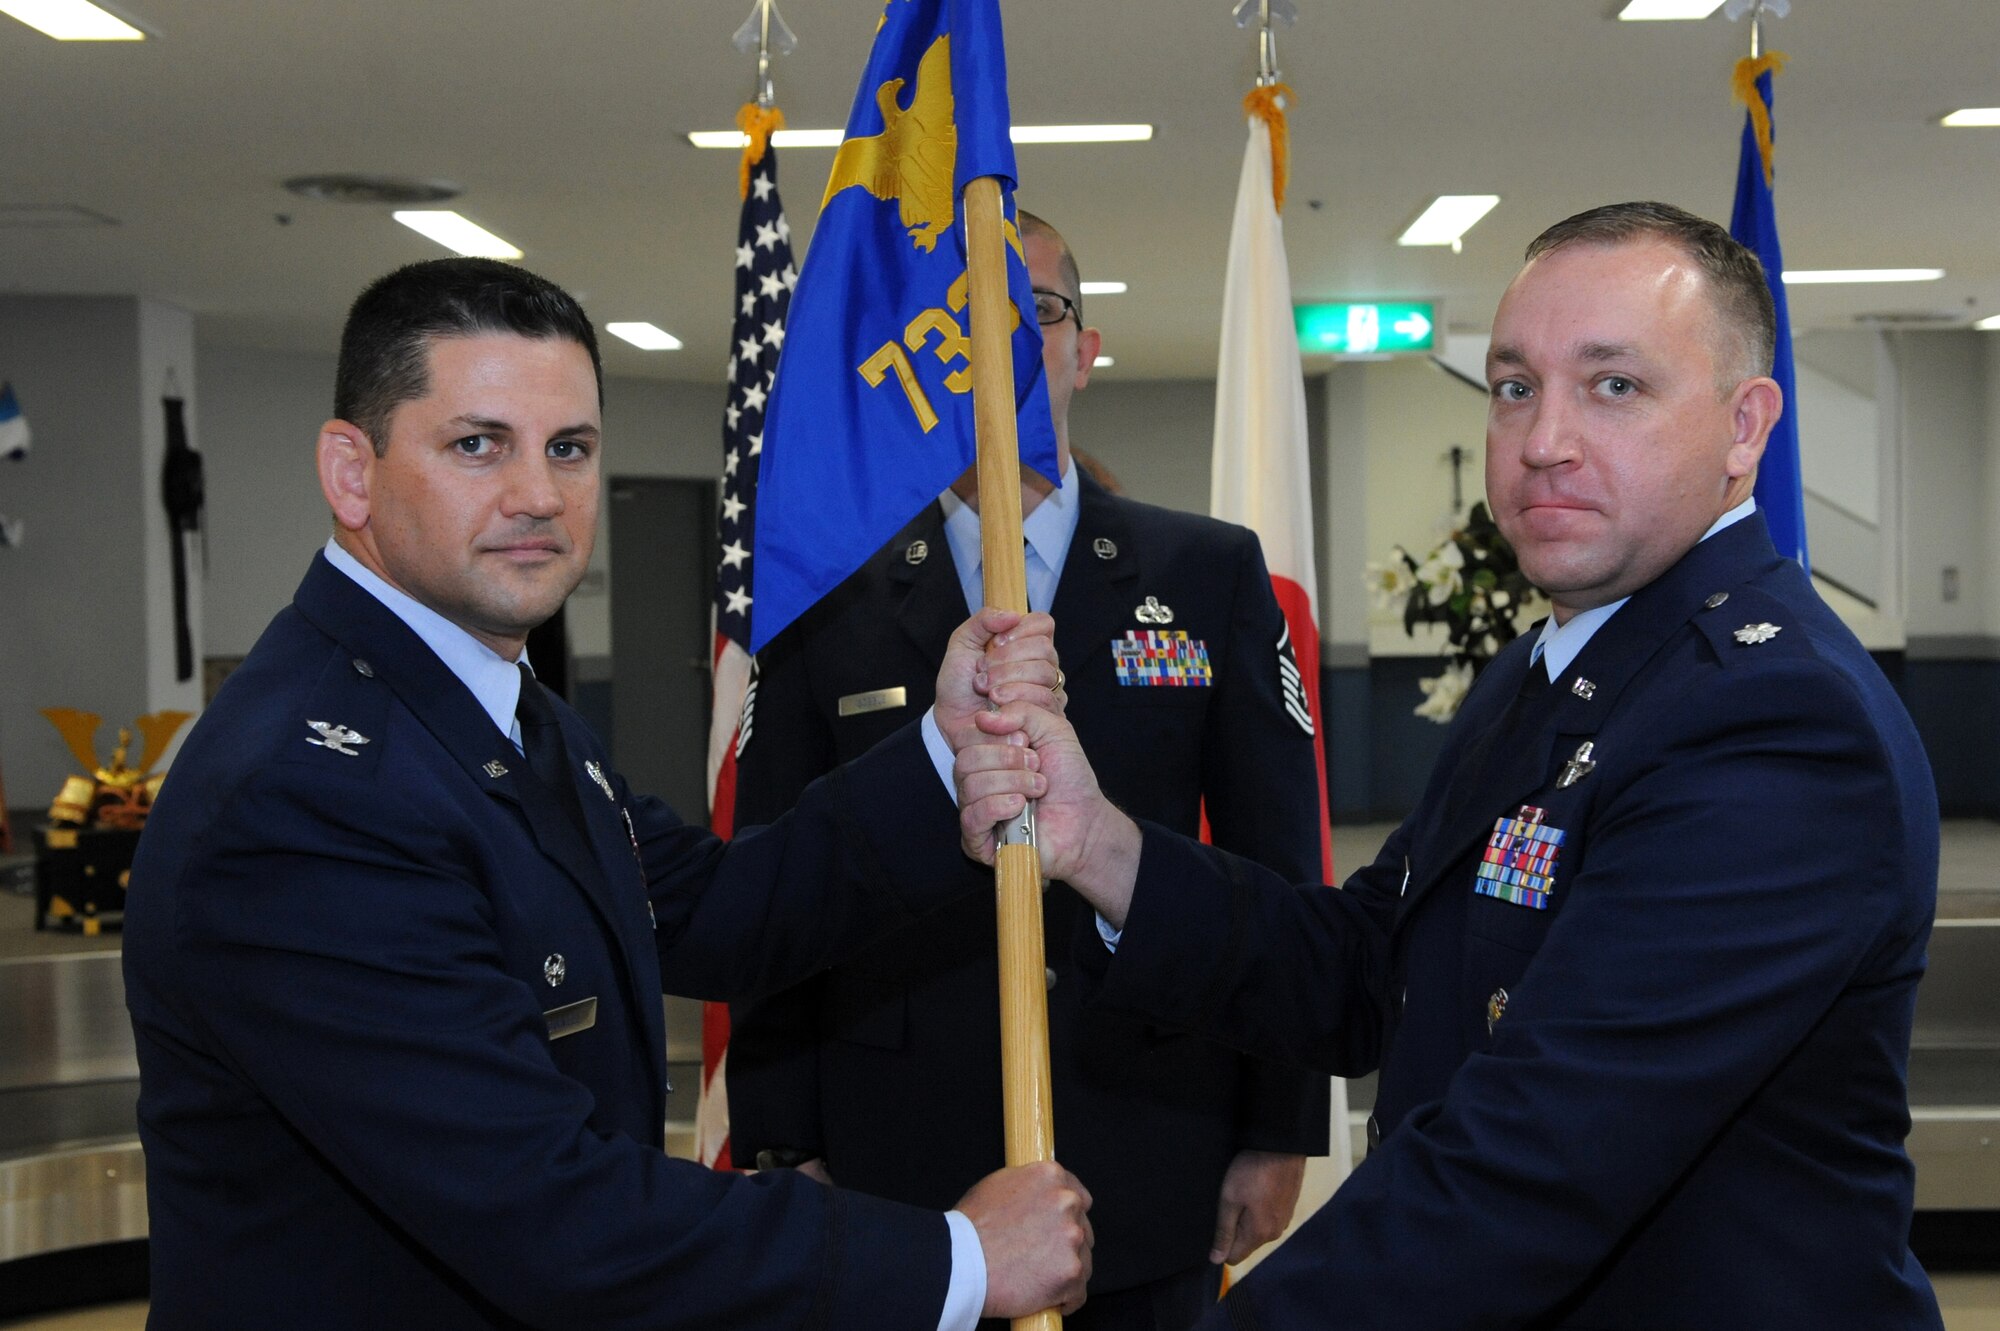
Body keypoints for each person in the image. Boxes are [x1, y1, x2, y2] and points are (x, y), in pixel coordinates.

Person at [956, 202, 1945, 1328]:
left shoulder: (1770, 718)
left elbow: (1533, 1157)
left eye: (1612, 385)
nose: (1542, 439)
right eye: (1515, 386)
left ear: (1744, 426)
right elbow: (1372, 964)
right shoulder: (1555, 667)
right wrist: (1099, 843)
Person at [122, 257, 1093, 1331]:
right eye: (476, 444)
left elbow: (715, 907)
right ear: (352, 472)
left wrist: (944, 753)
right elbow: (546, 1209)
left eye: (569, 448)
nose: (537, 496)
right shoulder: (306, 795)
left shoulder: (498, 709)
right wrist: (955, 1258)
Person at [726, 211, 1329, 1331]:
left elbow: (1275, 861)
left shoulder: (1206, 573)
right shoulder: (823, 592)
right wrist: (778, 1136)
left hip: (1150, 1128)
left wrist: (1278, 1124)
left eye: (1036, 313)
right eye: (964, 323)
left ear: (1081, 349)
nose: (1002, 346)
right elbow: (769, 882)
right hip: (897, 1155)